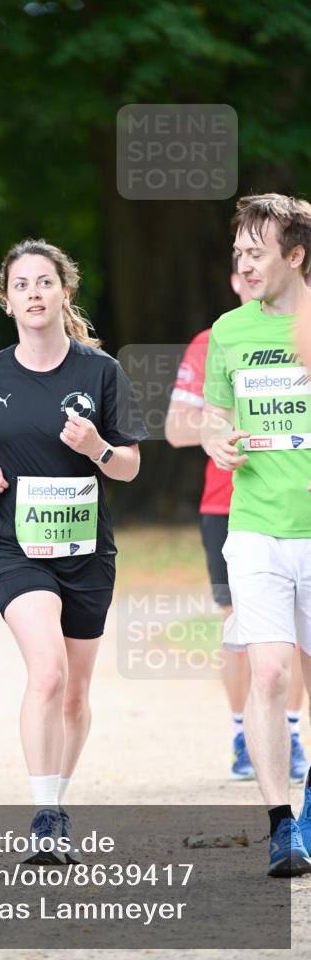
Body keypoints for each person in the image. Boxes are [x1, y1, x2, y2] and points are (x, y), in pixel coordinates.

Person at [0, 239, 147, 863]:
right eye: (21, 285)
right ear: (6, 301)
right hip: (15, 544)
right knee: (48, 671)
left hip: (87, 550)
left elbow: (130, 469)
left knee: (75, 693)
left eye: (45, 282)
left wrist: (96, 446)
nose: (34, 294)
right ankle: (44, 814)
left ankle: (57, 802)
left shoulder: (101, 371)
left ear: (65, 293)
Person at [201, 193, 311, 877]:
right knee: (268, 670)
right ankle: (280, 825)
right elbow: (213, 416)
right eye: (236, 250)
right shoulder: (227, 330)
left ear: (293, 257)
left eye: (256, 252)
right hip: (255, 527)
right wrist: (219, 442)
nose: (242, 263)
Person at [166, 263, 308, 782]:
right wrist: (219, 423)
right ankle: (240, 733)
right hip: (228, 505)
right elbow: (177, 429)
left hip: (297, 506)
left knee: (295, 633)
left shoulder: (306, 329)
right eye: (241, 266)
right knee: (239, 628)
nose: (251, 275)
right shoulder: (214, 338)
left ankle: (288, 732)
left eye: (261, 261)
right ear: (231, 281)